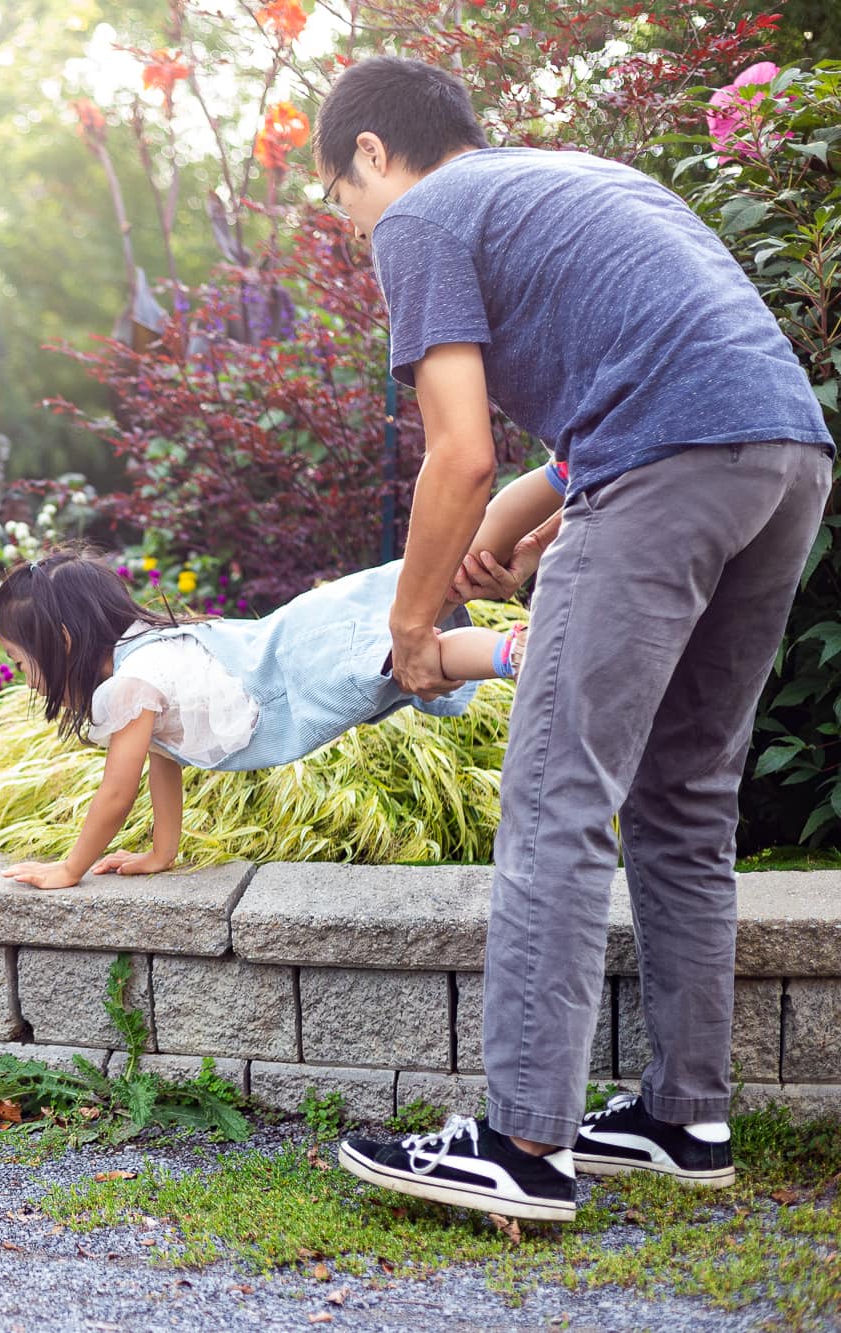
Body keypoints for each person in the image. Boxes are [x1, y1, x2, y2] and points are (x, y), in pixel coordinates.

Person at [310, 57, 832, 1223]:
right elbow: (670, 377)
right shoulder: (576, 180)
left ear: (370, 155)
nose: (352, 229)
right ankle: (680, 1117)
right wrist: (534, 520)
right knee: (685, 796)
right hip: (785, 456)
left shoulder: (423, 217)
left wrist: (413, 613)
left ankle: (522, 1144)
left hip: (668, 462)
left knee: (555, 793)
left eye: (340, 201)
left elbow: (454, 453)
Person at [0, 508, 540, 889]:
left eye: (20, 662)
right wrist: (162, 853)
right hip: (296, 639)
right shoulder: (144, 653)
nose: (24, 677)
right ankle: (558, 476)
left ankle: (519, 654)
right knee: (460, 572)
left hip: (298, 670)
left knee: (416, 655)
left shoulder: (130, 684)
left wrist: (69, 869)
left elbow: (116, 793)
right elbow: (165, 759)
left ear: (61, 642)